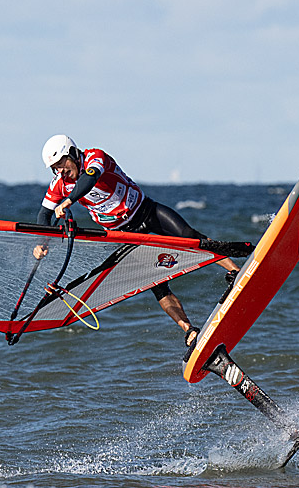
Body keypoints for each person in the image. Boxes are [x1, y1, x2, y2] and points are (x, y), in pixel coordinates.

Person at [33, 134, 241, 347]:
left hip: (147, 212)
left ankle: (236, 274)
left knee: (190, 237)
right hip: (126, 236)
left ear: (73, 154)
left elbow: (89, 179)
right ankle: (189, 331)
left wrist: (68, 201)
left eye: (62, 164)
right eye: (55, 168)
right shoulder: (60, 183)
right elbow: (44, 214)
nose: (61, 171)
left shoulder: (96, 157)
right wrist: (42, 242)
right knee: (158, 285)